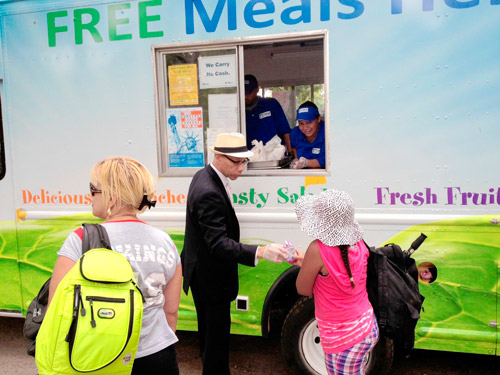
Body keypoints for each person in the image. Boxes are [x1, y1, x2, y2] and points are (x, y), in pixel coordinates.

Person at [48, 156, 182, 375]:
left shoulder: (81, 239)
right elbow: (171, 311)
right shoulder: (165, 241)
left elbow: (56, 309)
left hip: (97, 355)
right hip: (157, 355)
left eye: (93, 189)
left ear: (112, 195)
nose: (89, 195)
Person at [181, 132, 289, 375]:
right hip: (210, 278)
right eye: (235, 162)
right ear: (217, 156)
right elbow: (218, 243)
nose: (241, 168)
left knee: (210, 339)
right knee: (215, 342)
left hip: (206, 274)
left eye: (244, 162)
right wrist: (261, 251)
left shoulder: (205, 176)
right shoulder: (208, 190)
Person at [294, 189, 379, 375]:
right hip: (367, 325)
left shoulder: (317, 249)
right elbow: (337, 272)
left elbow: (303, 289)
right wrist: (305, 261)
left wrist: (306, 263)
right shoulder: (359, 242)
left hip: (344, 337)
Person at [244, 74, 292, 153]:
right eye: (243, 93)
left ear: (256, 90)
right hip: (251, 158)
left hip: (274, 156)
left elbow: (285, 131)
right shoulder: (238, 111)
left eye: (248, 93)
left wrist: (290, 153)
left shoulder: (271, 105)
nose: (245, 96)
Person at [290, 101, 325, 169]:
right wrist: (296, 159)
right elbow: (294, 147)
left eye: (309, 122)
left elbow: (325, 160)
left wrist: (305, 163)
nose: (305, 128)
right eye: (301, 123)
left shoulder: (326, 132)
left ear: (318, 119)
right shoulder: (295, 133)